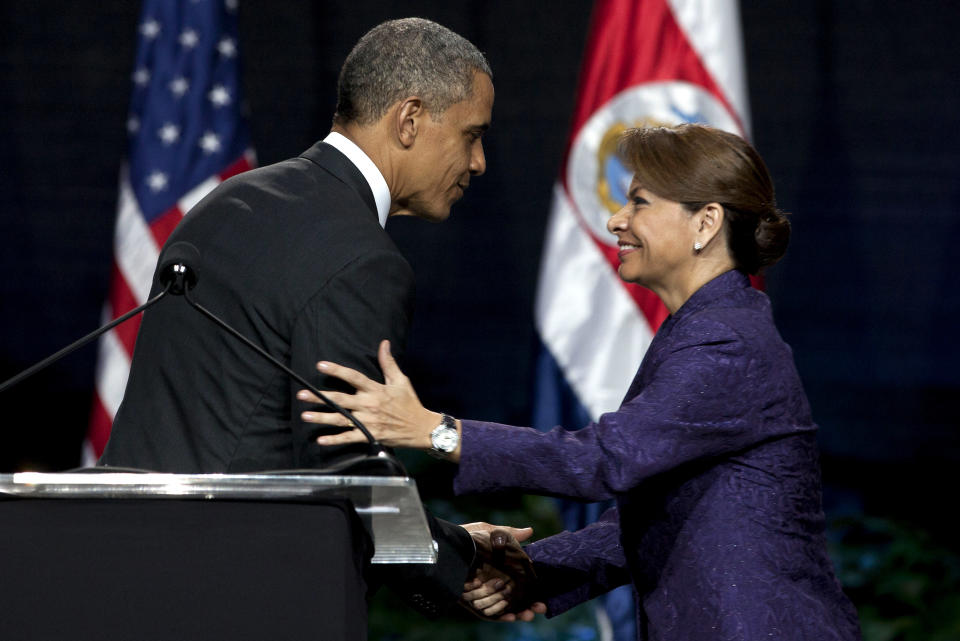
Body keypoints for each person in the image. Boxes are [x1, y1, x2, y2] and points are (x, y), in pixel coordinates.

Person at [298, 124, 863, 639]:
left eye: (639, 201)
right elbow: (655, 518)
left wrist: (437, 432)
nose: (617, 219)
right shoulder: (703, 328)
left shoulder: (726, 341)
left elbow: (605, 460)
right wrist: (533, 572)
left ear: (706, 222)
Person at [99, 17, 532, 622]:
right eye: (471, 136)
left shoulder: (224, 205)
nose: (480, 162)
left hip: (121, 576)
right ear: (409, 121)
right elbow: (342, 465)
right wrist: (457, 558)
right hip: (243, 596)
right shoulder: (363, 260)